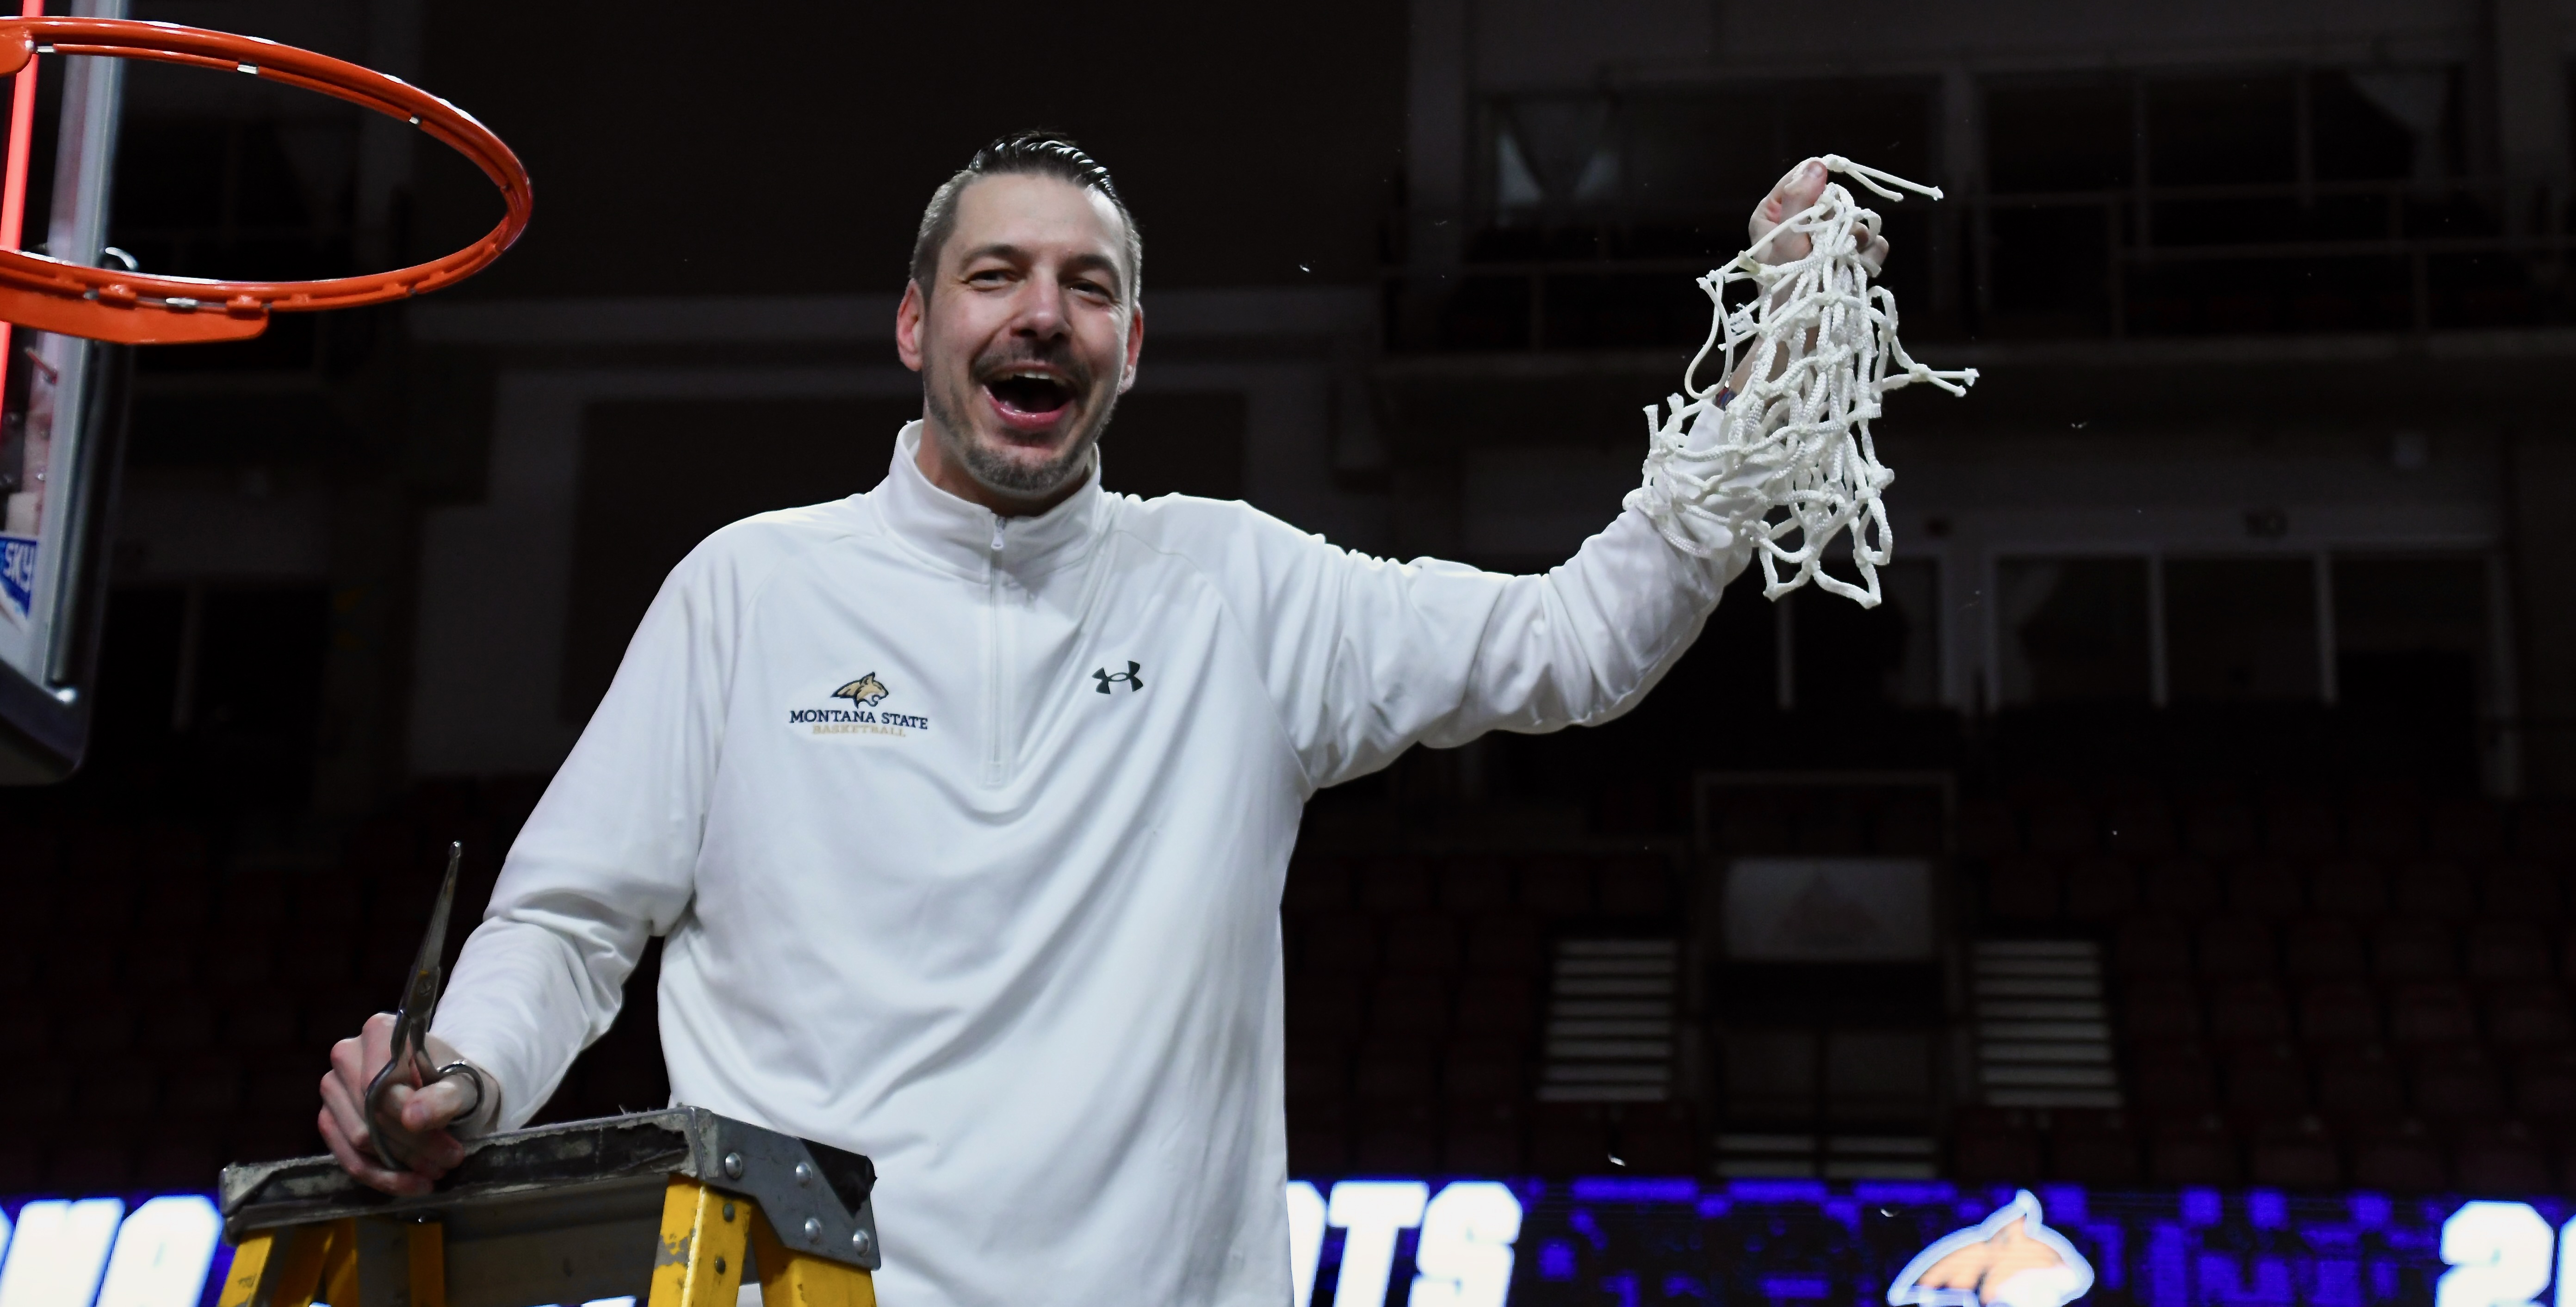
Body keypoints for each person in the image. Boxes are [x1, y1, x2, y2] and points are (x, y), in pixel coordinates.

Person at [318, 133, 1884, 1307]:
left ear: (1133, 345)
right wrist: (468, 1068)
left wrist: (1764, 390)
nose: (1043, 314)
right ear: (916, 325)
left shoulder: (1241, 586)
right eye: (996, 275)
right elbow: (572, 920)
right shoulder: (750, 587)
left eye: (1090, 286)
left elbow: (1578, 645)